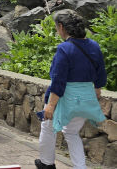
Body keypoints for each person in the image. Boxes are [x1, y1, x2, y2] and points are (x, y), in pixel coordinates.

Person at [35, 10, 107, 169]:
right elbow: (100, 75)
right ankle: (80, 167)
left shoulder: (64, 48)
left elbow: (59, 80)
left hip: (66, 97)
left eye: (56, 27)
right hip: (87, 97)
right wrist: (96, 93)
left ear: (61, 27)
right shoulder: (94, 46)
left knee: (47, 126)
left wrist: (51, 105)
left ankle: (46, 163)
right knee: (72, 132)